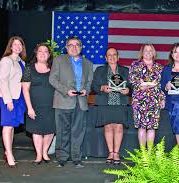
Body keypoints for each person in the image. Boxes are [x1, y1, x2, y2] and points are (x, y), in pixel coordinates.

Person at [49, 36, 93, 168]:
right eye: (71, 45)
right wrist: (66, 90)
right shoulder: (58, 60)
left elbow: (89, 82)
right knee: (62, 131)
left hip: (80, 102)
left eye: (77, 45)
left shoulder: (88, 63)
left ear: (81, 47)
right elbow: (52, 79)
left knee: (78, 132)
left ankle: (76, 158)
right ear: (66, 47)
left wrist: (86, 90)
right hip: (63, 100)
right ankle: (62, 158)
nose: (74, 47)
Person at [91, 47, 130, 165]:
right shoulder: (99, 70)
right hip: (105, 102)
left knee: (118, 127)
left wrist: (128, 90)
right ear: (106, 58)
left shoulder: (125, 70)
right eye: (109, 55)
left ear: (118, 57)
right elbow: (93, 86)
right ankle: (110, 152)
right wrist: (102, 88)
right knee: (108, 127)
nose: (112, 57)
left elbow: (131, 86)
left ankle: (117, 153)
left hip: (120, 102)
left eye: (114, 55)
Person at [22, 43, 55, 165]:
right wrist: (29, 108)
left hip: (52, 106)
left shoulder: (54, 68)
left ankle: (45, 152)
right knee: (36, 130)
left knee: (50, 130)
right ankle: (39, 155)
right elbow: (25, 89)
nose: (43, 53)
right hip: (34, 106)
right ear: (36, 53)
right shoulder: (28, 68)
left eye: (46, 51)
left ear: (49, 54)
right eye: (40, 51)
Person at [0, 36, 27, 168]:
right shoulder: (6, 60)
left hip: (18, 97)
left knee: (13, 125)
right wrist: (8, 101)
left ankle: (7, 151)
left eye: (20, 44)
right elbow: (3, 81)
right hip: (7, 97)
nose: (18, 46)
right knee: (7, 125)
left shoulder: (22, 62)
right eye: (15, 44)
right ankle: (9, 154)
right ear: (10, 46)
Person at [129, 44, 165, 148]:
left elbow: (160, 85)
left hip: (154, 100)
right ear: (142, 52)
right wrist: (142, 85)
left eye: (150, 50)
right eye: (146, 50)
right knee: (141, 127)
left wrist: (162, 99)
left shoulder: (158, 67)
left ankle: (149, 154)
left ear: (154, 53)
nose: (148, 52)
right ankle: (143, 153)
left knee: (152, 127)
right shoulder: (135, 65)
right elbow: (132, 80)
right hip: (139, 100)